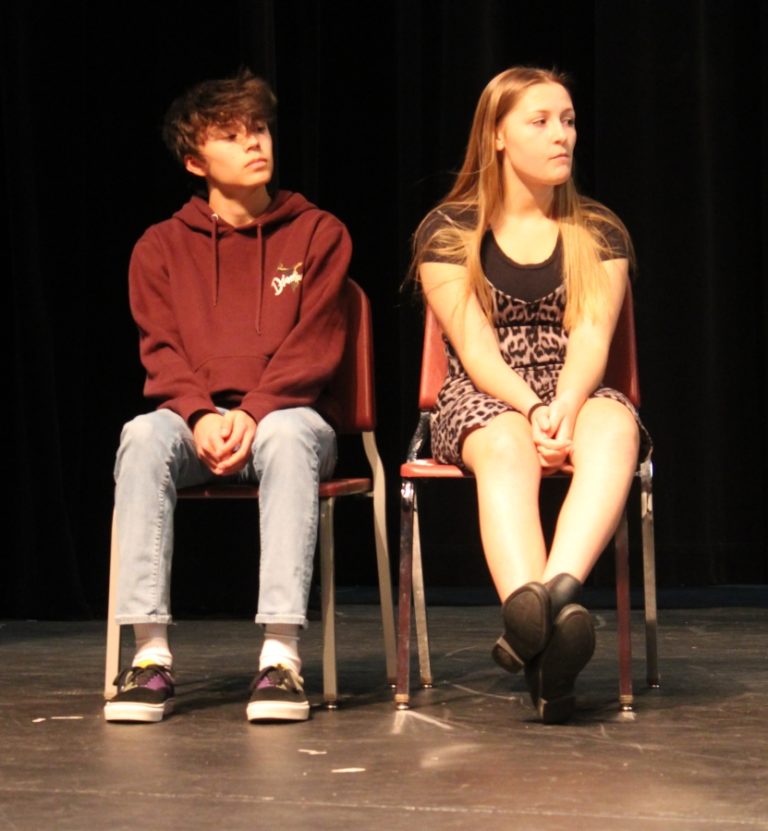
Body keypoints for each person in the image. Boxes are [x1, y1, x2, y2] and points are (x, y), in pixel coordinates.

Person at [104, 70, 351, 724]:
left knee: (288, 434)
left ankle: (281, 656)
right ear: (194, 161)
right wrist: (198, 413)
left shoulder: (319, 233)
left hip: (287, 416)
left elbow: (315, 344)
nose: (255, 144)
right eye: (233, 135)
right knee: (142, 436)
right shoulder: (158, 248)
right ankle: (150, 657)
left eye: (261, 128)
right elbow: (160, 349)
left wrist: (252, 410)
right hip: (197, 421)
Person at [413, 66, 650, 724]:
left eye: (569, 121)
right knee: (508, 445)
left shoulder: (598, 229)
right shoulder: (449, 230)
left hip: (571, 382)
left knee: (615, 428)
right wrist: (530, 406)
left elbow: (593, 335)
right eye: (540, 121)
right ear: (495, 135)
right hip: (486, 391)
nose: (562, 136)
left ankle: (547, 601)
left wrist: (567, 403)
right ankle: (547, 623)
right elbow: (476, 347)